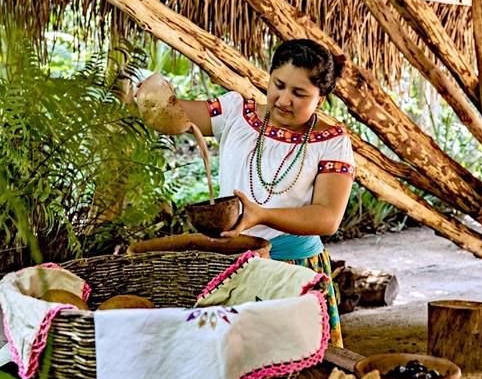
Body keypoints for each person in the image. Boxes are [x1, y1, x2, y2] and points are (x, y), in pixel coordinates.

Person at [141, 39, 355, 347]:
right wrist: (145, 97)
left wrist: (262, 214)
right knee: (231, 368)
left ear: (320, 97)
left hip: (292, 271)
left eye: (299, 93)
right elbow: (170, 113)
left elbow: (328, 217)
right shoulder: (235, 113)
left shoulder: (331, 141)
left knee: (293, 372)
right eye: (278, 85)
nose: (283, 99)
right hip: (232, 265)